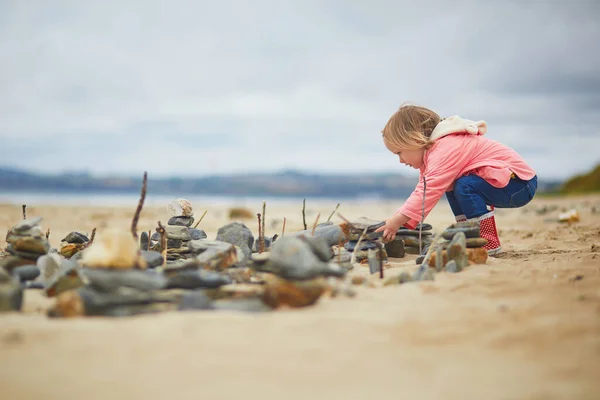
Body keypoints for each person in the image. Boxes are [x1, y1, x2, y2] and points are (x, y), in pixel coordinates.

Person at [375, 104, 537, 255]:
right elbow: (423, 190)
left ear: (415, 140)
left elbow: (427, 191)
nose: (401, 161)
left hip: (519, 183)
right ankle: (468, 234)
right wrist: (399, 220)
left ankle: (488, 241)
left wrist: (397, 220)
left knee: (464, 186)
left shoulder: (444, 149)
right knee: (452, 186)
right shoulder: (434, 153)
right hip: (509, 182)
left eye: (399, 153)